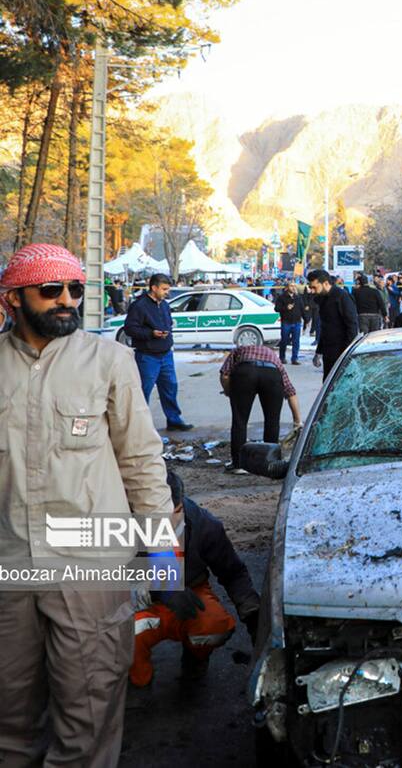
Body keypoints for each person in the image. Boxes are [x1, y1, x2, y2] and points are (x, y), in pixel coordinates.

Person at [0, 243, 173, 766]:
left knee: (89, 709)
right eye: (50, 290)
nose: (67, 300)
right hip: (9, 566)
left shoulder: (109, 361)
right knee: (9, 716)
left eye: (75, 289)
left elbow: (142, 460)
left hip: (92, 564)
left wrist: (162, 550)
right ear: (12, 299)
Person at [130, 472, 260, 688]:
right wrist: (160, 591)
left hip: (191, 594)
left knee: (214, 626)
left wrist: (252, 613)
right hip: (139, 600)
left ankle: (195, 657)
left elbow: (233, 572)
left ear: (180, 507)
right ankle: (137, 681)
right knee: (120, 633)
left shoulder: (203, 524)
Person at [219, 342, 303, 474]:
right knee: (272, 421)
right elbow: (290, 391)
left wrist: (230, 391)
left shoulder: (238, 350)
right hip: (272, 375)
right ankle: (270, 464)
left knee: (239, 421)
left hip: (245, 373)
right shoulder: (273, 357)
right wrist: (298, 421)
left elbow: (224, 374)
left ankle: (239, 465)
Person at [124, 272, 193, 431]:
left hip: (166, 353)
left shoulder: (164, 305)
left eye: (168, 289)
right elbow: (130, 328)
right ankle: (139, 424)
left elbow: (167, 322)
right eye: (164, 289)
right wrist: (150, 334)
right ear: (154, 288)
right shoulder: (139, 306)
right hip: (147, 356)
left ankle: (174, 419)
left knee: (170, 387)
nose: (167, 292)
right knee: (144, 390)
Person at [307, 269, 359, 380]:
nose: (312, 291)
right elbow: (325, 328)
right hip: (328, 351)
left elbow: (352, 326)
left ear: (325, 283)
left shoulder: (342, 297)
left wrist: (347, 353)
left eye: (314, 287)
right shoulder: (322, 299)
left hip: (341, 351)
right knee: (328, 384)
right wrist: (319, 351)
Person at [274, 281, 304, 365]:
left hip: (297, 322)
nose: (293, 287)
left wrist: (306, 319)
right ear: (287, 287)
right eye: (291, 286)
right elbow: (276, 308)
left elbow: (302, 308)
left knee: (296, 341)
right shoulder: (282, 297)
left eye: (294, 286)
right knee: (284, 341)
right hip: (286, 322)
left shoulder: (298, 297)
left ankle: (294, 358)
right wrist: (285, 307)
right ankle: (282, 357)